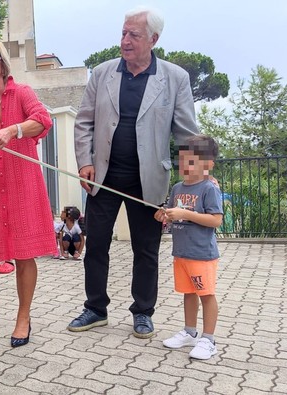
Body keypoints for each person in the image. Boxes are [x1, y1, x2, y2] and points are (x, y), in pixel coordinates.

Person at [70, 6, 199, 338]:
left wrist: (195, 180)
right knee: (96, 244)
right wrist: (85, 160)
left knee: (146, 249)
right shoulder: (102, 73)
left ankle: (143, 312)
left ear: (153, 39)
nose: (125, 41)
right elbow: (84, 121)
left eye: (134, 35)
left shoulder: (175, 78)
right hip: (103, 179)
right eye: (123, 33)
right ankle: (95, 308)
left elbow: (186, 135)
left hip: (150, 181)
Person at [0, 38, 56, 349]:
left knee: (24, 252)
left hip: (22, 185)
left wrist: (13, 130)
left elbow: (43, 121)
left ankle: (23, 317)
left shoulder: (23, 93)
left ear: (3, 64)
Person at [154, 135, 222, 360]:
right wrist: (164, 216)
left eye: (191, 162)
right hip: (181, 253)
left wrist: (185, 213)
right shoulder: (177, 188)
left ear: (208, 165)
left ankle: (208, 339)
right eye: (182, 161)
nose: (185, 166)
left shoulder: (209, 188)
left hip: (201, 254)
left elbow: (215, 220)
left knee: (206, 294)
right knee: (189, 293)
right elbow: (173, 216)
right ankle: (189, 332)